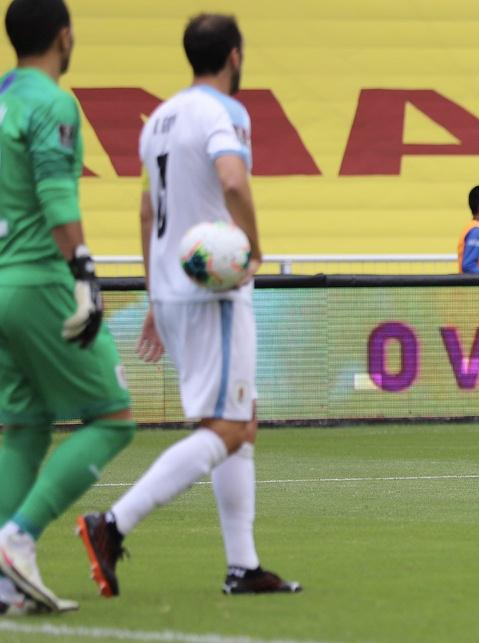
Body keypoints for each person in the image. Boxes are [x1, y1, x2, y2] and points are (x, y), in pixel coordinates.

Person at [76, 13, 299, 597]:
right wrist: (255, 246)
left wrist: (154, 297)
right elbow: (232, 181)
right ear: (233, 56)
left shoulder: (160, 119)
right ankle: (112, 523)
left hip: (175, 288)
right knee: (231, 424)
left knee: (234, 423)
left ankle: (243, 566)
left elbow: (148, 211)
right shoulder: (223, 112)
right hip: (214, 291)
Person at [0, 0, 136, 613]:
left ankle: (3, 582)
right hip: (38, 280)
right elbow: (56, 195)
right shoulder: (53, 103)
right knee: (113, 417)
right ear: (64, 35)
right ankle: (18, 539)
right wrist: (85, 274)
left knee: (24, 428)